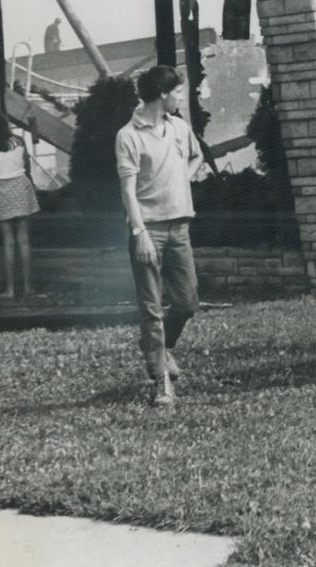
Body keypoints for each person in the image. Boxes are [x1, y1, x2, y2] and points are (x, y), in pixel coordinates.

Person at [116, 65, 206, 407]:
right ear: (164, 95)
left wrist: (183, 178)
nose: (181, 97)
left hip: (179, 226)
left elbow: (196, 156)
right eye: (178, 92)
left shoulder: (180, 128)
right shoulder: (128, 135)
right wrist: (139, 233)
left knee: (187, 302)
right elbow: (127, 190)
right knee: (151, 308)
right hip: (148, 229)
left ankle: (160, 347)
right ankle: (162, 382)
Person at [0, 112, 40, 300]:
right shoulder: (19, 141)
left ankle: (10, 289)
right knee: (24, 241)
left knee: (7, 242)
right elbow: (28, 167)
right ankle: (29, 287)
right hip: (20, 186)